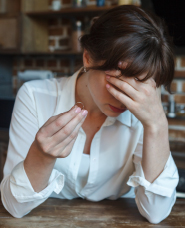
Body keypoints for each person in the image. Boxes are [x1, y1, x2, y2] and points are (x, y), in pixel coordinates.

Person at [0, 5, 179, 223]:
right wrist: (42, 155)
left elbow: (156, 213)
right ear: (88, 58)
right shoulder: (35, 97)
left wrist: (157, 125)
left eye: (138, 86)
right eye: (118, 81)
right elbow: (15, 207)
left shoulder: (144, 113)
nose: (124, 98)